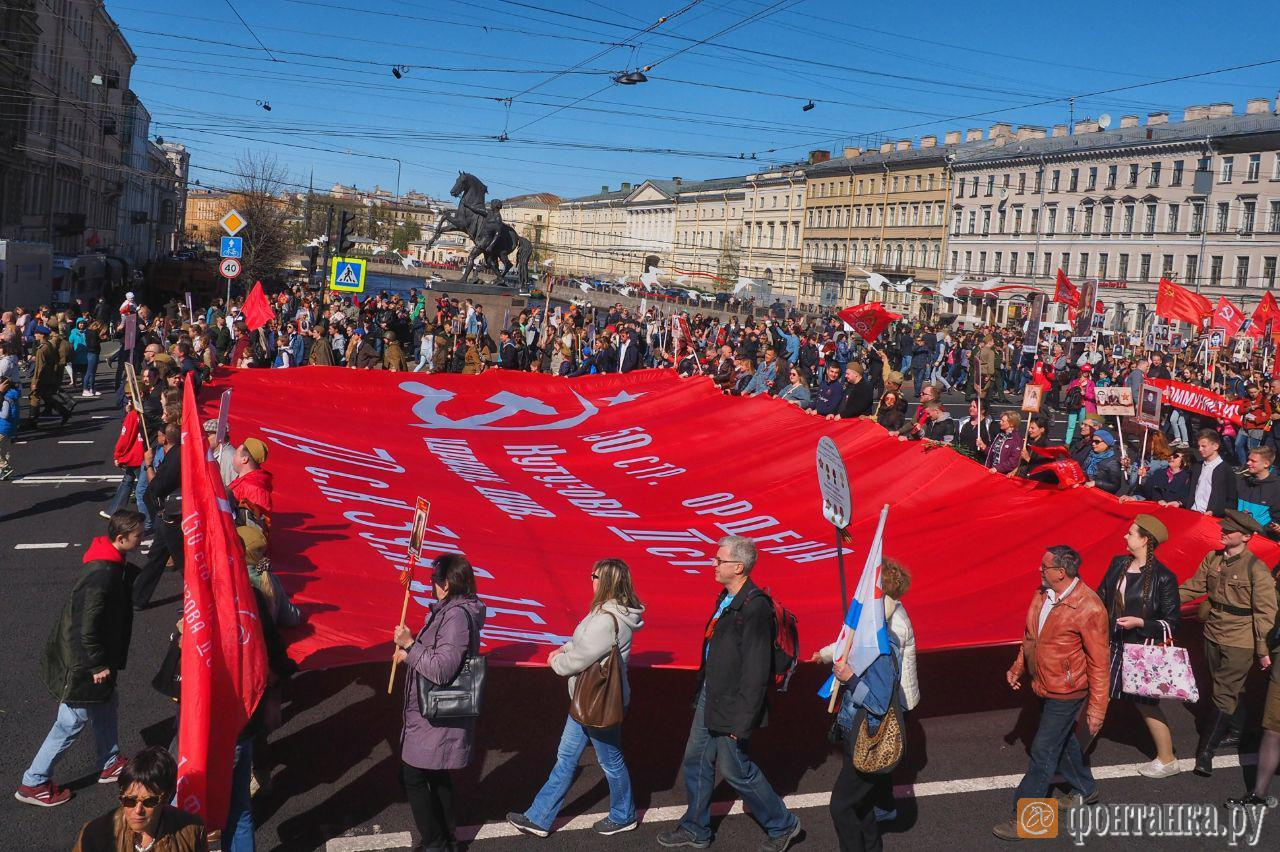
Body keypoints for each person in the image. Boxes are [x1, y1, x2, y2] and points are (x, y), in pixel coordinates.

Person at [658, 535, 801, 851]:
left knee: (736, 771)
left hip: (734, 705)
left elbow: (755, 672)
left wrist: (742, 723)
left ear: (738, 566)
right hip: (713, 694)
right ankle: (696, 828)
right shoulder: (726, 598)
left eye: (719, 560)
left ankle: (784, 825)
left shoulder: (754, 609)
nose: (713, 563)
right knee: (695, 759)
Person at [507, 558, 646, 838]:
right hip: (587, 699)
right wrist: (565, 648)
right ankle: (539, 816)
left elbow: (579, 659)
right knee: (567, 756)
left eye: (593, 575)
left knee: (610, 761)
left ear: (605, 581)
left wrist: (556, 662)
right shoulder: (605, 612)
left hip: (598, 703)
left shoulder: (608, 619)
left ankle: (624, 814)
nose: (590, 579)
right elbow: (584, 644)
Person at [16, 510, 145, 807]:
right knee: (71, 720)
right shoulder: (102, 575)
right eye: (138, 535)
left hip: (88, 659)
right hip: (84, 663)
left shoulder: (110, 562)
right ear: (121, 538)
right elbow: (86, 628)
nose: (143, 538)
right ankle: (33, 782)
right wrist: (97, 664)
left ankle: (110, 761)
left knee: (106, 703)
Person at [994, 545, 1109, 840]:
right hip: (1043, 684)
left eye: (1044, 567)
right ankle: (1086, 789)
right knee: (1063, 740)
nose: (1039, 570)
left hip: (1067, 691)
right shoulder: (1042, 594)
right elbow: (1031, 636)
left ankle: (1029, 822)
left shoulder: (1089, 607)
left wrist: (1097, 709)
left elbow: (1099, 663)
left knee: (1043, 751)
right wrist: (1018, 667)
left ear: (1060, 572)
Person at [815, 559, 919, 836]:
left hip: (877, 717)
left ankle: (884, 808)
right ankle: (881, 806)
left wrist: (848, 676)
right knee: (864, 796)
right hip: (865, 716)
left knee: (843, 806)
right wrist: (830, 655)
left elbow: (878, 700)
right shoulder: (876, 625)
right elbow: (852, 642)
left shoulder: (886, 635)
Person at [392, 554, 487, 852]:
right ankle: (449, 838)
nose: (432, 585)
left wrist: (410, 645)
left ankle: (436, 843)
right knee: (435, 773)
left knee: (414, 775)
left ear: (446, 584)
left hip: (436, 714)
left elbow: (443, 669)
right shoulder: (452, 610)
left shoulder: (456, 617)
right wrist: (410, 654)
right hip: (433, 716)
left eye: (434, 580)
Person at [1178, 509, 1278, 776]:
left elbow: (1265, 612)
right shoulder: (1213, 558)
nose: (1223, 532)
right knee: (1223, 687)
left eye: (1229, 531)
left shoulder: (1256, 569)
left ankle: (1205, 753)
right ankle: (1240, 731)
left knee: (1223, 691)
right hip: (1213, 631)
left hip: (1240, 637)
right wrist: (1163, 600)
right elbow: (1194, 587)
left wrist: (1263, 648)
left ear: (1246, 536)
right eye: (1223, 529)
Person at [1095, 515, 1182, 777]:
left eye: (1131, 533)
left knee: (1146, 704)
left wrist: (1140, 622)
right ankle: (1074, 751)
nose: (1125, 536)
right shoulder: (1118, 563)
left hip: (1140, 650)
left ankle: (1168, 760)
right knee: (1097, 697)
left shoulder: (1164, 577)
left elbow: (1171, 623)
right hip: (1111, 645)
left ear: (1145, 540)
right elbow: (1100, 598)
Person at [72, 745, 207, 851]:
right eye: (129, 800)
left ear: (166, 797)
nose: (138, 810)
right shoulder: (96, 833)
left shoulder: (192, 830)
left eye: (150, 801)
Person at [1183, 429, 1236, 517]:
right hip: (1192, 513)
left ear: (1215, 446)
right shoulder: (1197, 467)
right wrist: (1180, 502)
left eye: (1204, 446)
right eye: (1199, 446)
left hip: (1210, 517)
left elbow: (1231, 500)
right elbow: (1191, 492)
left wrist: (1216, 512)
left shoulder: (1226, 470)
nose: (1200, 449)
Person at [1236, 445, 1280, 537]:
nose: (1248, 463)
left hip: (1259, 537)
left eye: (1253, 461)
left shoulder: (1276, 487)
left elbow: (1277, 519)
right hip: (1237, 532)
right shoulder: (1242, 481)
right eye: (1248, 459)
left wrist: (1261, 531)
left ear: (1266, 464)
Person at [1081, 428, 1124, 493]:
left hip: (1100, 496)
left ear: (1106, 443)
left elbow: (1115, 486)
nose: (1093, 444)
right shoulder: (1090, 454)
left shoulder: (1113, 462)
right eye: (1092, 441)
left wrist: (1096, 483)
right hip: (1086, 491)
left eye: (1097, 442)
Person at [985, 411, 1023, 475]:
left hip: (1004, 475)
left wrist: (997, 468)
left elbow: (1013, 461)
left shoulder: (1016, 439)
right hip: (992, 472)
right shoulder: (1000, 435)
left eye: (1003, 421)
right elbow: (992, 452)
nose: (1000, 422)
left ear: (1012, 424)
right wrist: (983, 447)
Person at [0, 375, 19, 479]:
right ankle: (3, 473)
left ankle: (5, 467)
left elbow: (4, 414)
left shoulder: (6, 398)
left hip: (3, 427)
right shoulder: (13, 395)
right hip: (11, 427)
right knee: (3, 450)